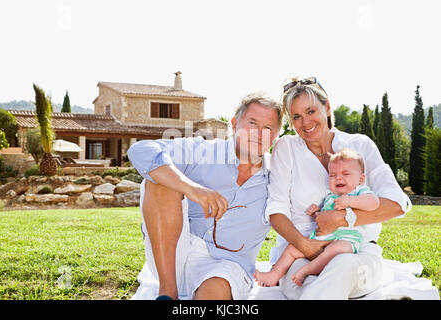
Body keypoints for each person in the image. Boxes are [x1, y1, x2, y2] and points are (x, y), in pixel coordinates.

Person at [264, 77, 412, 299]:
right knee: (305, 281)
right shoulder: (286, 148)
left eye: (311, 111)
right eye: (296, 116)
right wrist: (305, 246)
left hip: (355, 251)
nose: (305, 122)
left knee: (342, 267)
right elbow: (276, 209)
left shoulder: (360, 145)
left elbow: (397, 205)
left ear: (327, 107)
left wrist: (343, 219)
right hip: (299, 253)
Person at [128, 92, 283, 300]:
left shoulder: (279, 177)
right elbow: (142, 150)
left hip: (228, 265)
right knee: (160, 178)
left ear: (276, 135)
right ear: (235, 124)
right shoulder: (202, 151)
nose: (258, 133)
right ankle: (167, 293)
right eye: (252, 123)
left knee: (215, 291)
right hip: (173, 253)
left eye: (267, 128)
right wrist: (192, 188)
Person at [254, 148, 380, 287]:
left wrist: (350, 201)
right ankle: (274, 275)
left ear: (361, 179)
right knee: (292, 249)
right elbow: (324, 219)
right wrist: (316, 213)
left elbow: (374, 203)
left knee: (336, 249)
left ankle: (307, 270)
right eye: (333, 175)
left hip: (347, 239)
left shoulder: (359, 191)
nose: (338, 178)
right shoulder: (330, 196)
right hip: (320, 238)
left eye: (345, 174)